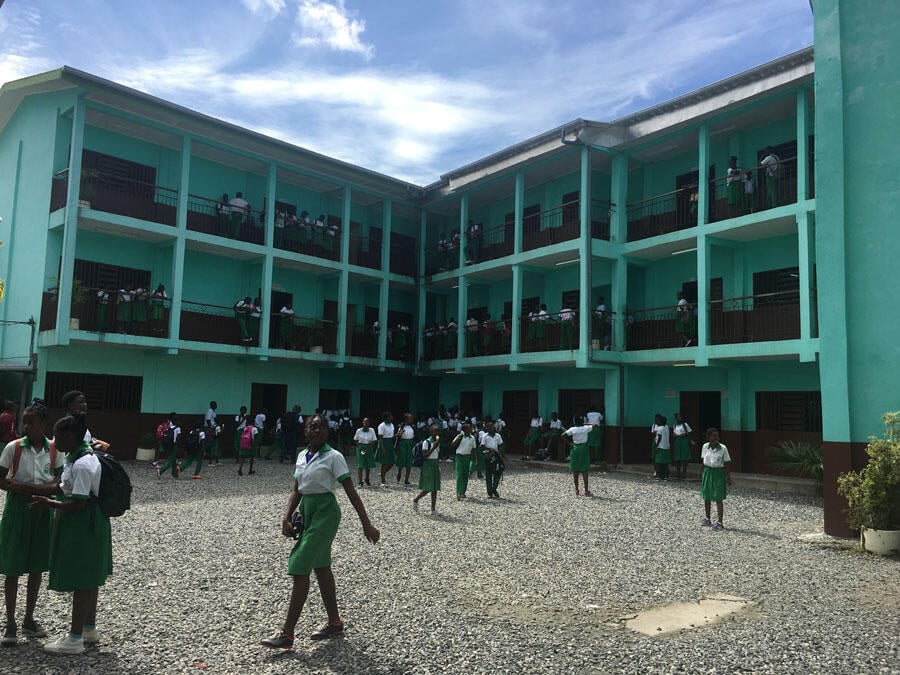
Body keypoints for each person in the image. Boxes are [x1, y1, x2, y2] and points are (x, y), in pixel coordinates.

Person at [260, 415, 379, 649]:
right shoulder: (302, 455)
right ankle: (335, 623)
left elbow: (350, 491)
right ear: (306, 431)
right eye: (312, 427)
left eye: (320, 427)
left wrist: (366, 523)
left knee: (300, 563)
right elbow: (297, 490)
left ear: (326, 432)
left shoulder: (334, 457)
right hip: (308, 512)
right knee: (321, 566)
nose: (316, 431)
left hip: (326, 514)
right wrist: (285, 517)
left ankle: (287, 634)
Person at [29, 414, 113, 655]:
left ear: (71, 437)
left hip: (84, 523)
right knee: (88, 575)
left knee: (83, 578)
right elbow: (63, 486)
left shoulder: (83, 464)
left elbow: (78, 503)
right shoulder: (75, 458)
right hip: (83, 521)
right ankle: (88, 628)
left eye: (57, 436)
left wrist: (49, 503)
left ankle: (74, 639)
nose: (54, 441)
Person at [0, 400, 64, 646]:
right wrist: (18, 489)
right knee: (12, 565)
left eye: (31, 422)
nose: (26, 426)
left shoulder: (54, 449)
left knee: (37, 564)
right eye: (24, 421)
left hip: (43, 508)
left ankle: (29, 618)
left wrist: (31, 488)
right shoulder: (13, 447)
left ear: (44, 424)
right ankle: (10, 623)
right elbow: (1, 478)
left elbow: (58, 480)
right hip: (18, 508)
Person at [700, 428, 732, 530]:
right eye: (713, 436)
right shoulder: (705, 446)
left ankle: (720, 522)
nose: (715, 438)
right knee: (707, 496)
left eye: (717, 436)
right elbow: (703, 460)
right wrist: (700, 471)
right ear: (708, 437)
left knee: (718, 497)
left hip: (719, 473)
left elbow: (727, 464)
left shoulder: (723, 448)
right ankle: (707, 518)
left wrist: (728, 478)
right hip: (707, 472)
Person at [412, 424, 441, 514]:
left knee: (435, 488)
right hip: (428, 465)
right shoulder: (426, 442)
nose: (437, 433)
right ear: (430, 432)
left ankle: (433, 509)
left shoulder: (437, 441)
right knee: (428, 487)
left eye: (438, 431)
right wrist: (433, 447)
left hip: (435, 464)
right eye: (435, 431)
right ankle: (416, 499)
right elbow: (424, 456)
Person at [563, 417, 594, 496]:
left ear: (574, 422)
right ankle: (586, 490)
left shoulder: (573, 429)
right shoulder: (586, 428)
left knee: (575, 470)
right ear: (582, 422)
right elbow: (595, 425)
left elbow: (562, 435)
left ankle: (576, 489)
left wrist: (570, 444)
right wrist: (585, 424)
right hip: (584, 449)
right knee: (585, 470)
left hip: (575, 448)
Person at [451, 422, 476, 500]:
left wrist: (475, 459)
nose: (471, 429)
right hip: (459, 457)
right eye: (470, 428)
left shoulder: (472, 438)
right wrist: (457, 438)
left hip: (467, 457)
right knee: (459, 474)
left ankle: (462, 492)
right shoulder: (460, 436)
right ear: (465, 430)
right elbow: (452, 444)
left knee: (465, 475)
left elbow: (474, 449)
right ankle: (458, 492)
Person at [481, 422, 504, 499]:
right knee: (488, 474)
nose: (490, 428)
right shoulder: (485, 436)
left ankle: (494, 489)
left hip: (496, 456)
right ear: (486, 428)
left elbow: (500, 445)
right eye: (488, 427)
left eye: (491, 427)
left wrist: (499, 453)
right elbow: (482, 446)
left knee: (498, 473)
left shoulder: (498, 436)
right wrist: (490, 449)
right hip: (488, 455)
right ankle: (490, 492)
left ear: (494, 427)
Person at [353, 418, 377, 487]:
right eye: (364, 422)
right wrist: (359, 447)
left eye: (367, 422)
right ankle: (360, 481)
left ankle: (367, 479)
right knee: (360, 464)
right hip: (360, 449)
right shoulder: (359, 430)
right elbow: (355, 440)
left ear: (369, 423)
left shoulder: (372, 430)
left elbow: (374, 440)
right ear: (362, 422)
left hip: (369, 448)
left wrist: (368, 448)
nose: (366, 423)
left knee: (368, 464)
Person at [156, 413, 181, 479]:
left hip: (167, 445)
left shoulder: (168, 427)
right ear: (177, 421)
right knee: (170, 460)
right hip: (174, 445)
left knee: (173, 459)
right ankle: (161, 471)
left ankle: (174, 474)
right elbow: (178, 438)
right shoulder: (178, 428)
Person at [672, 413, 695, 480]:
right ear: (676, 418)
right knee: (677, 458)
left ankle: (684, 473)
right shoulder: (675, 425)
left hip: (684, 441)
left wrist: (683, 435)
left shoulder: (685, 425)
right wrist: (675, 435)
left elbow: (689, 432)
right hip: (677, 442)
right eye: (678, 417)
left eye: (680, 417)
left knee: (684, 458)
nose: (680, 418)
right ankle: (678, 473)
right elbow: (673, 433)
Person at [395, 413, 415, 485]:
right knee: (401, 460)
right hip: (403, 444)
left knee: (409, 461)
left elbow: (415, 436)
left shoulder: (413, 426)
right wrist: (399, 434)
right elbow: (397, 436)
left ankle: (406, 479)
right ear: (406, 419)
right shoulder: (401, 426)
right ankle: (399, 472)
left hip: (410, 444)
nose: (411, 419)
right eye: (410, 418)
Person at [376, 412, 395, 486]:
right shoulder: (381, 425)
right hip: (384, 443)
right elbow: (380, 438)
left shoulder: (392, 425)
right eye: (390, 416)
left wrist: (397, 435)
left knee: (391, 462)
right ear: (387, 418)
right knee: (384, 463)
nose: (392, 418)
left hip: (390, 443)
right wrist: (382, 448)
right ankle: (383, 481)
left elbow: (391, 436)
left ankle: (382, 473)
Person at [652, 414, 672, 481]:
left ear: (660, 421)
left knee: (659, 462)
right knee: (665, 463)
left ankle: (660, 476)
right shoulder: (666, 428)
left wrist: (656, 446)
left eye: (658, 420)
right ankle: (666, 476)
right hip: (666, 446)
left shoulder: (660, 428)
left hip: (661, 446)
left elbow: (659, 438)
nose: (656, 421)